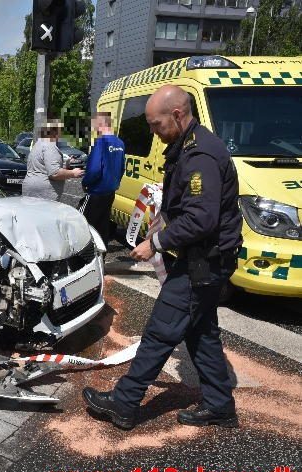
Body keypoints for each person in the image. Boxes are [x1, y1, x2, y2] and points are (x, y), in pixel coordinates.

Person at [82, 85, 243, 430]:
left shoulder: (201, 156)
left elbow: (202, 218)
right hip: (206, 259)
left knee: (160, 332)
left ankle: (124, 405)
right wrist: (166, 218)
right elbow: (187, 205)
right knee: (201, 333)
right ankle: (219, 405)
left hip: (203, 263)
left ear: (178, 115)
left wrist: (156, 243)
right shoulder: (187, 146)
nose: (153, 133)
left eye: (157, 125)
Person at [78, 112, 126, 244]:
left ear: (101, 124)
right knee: (103, 225)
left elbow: (94, 170)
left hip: (96, 193)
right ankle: (102, 255)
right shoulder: (120, 143)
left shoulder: (101, 143)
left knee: (85, 224)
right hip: (110, 192)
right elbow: (122, 168)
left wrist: (85, 182)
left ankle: (86, 257)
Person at [22, 120, 84, 201]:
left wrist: (66, 164)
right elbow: (54, 173)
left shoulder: (38, 144)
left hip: (32, 188)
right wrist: (73, 173)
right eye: (60, 129)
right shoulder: (49, 146)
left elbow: (43, 166)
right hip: (43, 193)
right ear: (54, 131)